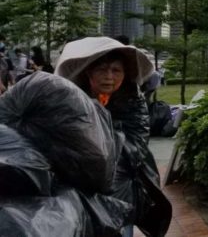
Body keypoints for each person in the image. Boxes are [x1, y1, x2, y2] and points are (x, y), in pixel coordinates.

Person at [55, 36, 172, 237]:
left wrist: (97, 138)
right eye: (102, 69)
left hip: (119, 187)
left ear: (125, 74)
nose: (109, 76)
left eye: (116, 70)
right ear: (89, 72)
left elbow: (135, 145)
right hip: (80, 189)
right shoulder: (74, 99)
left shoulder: (133, 101)